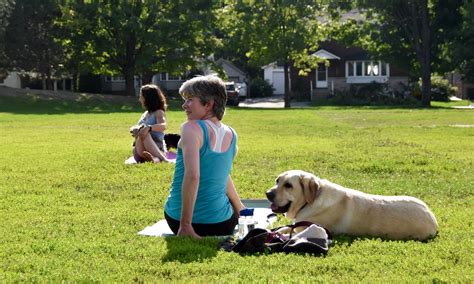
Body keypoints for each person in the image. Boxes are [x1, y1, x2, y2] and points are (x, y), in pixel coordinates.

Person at [164, 75, 245, 238]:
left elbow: (193, 176)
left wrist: (185, 225)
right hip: (222, 225)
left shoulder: (190, 128)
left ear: (209, 104)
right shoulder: (232, 134)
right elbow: (222, 176)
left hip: (179, 220)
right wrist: (241, 211)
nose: (184, 105)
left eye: (189, 100)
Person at [131, 84, 172, 163]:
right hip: (140, 149)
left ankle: (160, 159)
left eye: (141, 96)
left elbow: (163, 126)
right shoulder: (145, 114)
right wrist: (134, 129)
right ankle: (152, 158)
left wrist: (149, 128)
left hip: (157, 147)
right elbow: (137, 126)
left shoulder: (159, 112)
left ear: (148, 98)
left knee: (145, 132)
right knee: (142, 130)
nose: (140, 99)